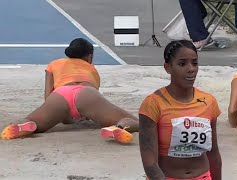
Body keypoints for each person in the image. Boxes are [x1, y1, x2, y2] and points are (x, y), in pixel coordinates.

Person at [1, 38, 138, 144]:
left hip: (59, 95)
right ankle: (118, 128)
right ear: (89, 57)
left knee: (32, 121)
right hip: (86, 94)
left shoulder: (53, 64)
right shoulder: (91, 68)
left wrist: (62, 115)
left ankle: (22, 126)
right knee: (132, 121)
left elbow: (48, 97)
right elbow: (90, 106)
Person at [139, 40, 222, 180]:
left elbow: (213, 153)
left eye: (195, 63)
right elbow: (150, 163)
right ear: (167, 67)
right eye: (182, 64)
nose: (191, 69)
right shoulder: (153, 104)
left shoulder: (208, 102)